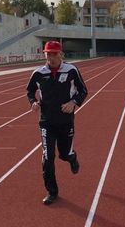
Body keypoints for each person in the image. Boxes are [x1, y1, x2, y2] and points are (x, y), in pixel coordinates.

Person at [26, 40, 88, 205]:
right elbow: (30, 90)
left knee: (64, 154)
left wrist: (73, 102)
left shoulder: (71, 70)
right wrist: (33, 101)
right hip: (46, 121)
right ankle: (52, 191)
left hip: (65, 121)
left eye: (54, 54)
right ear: (44, 54)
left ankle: (72, 158)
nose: (51, 57)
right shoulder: (38, 73)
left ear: (61, 54)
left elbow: (83, 90)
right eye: (48, 54)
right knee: (48, 157)